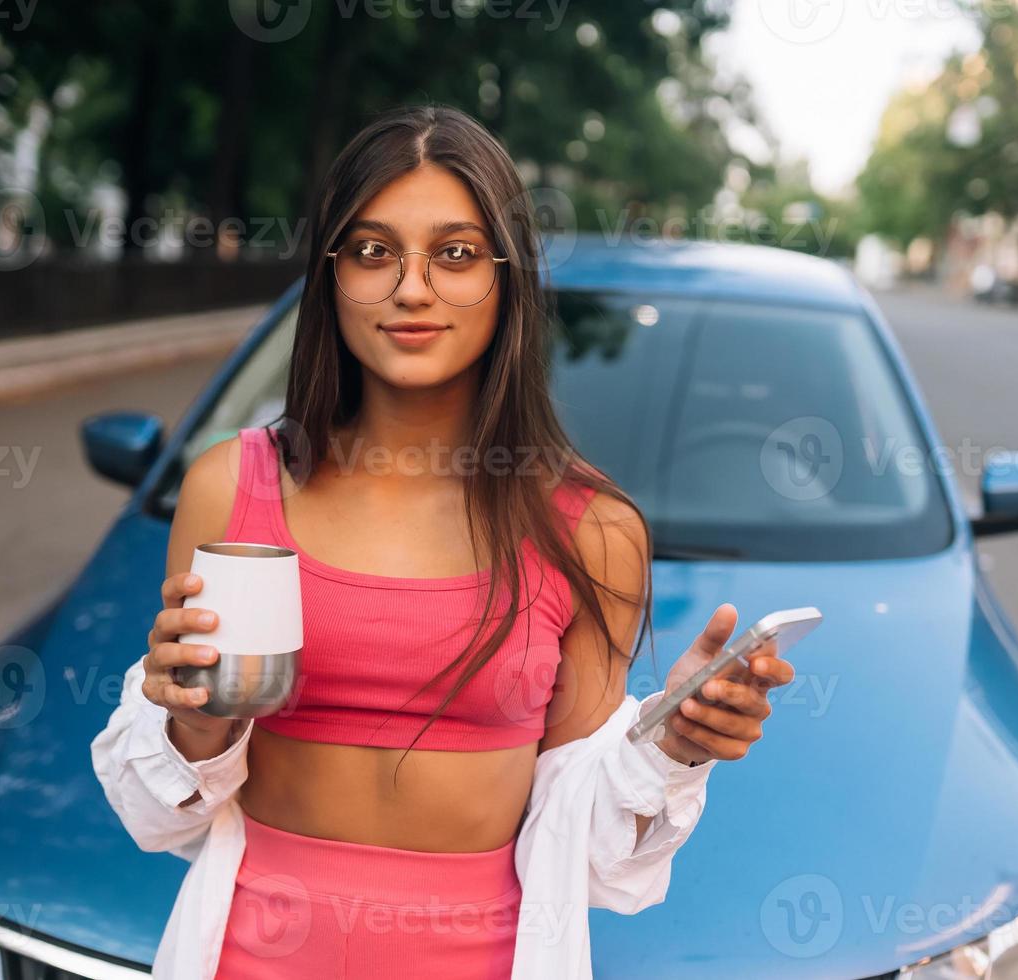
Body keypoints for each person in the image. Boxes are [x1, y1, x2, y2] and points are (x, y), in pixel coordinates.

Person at [91, 103, 795, 980]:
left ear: (507, 279)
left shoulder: (590, 528)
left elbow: (590, 855)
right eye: (373, 251)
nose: (410, 288)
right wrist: (191, 721)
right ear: (331, 273)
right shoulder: (230, 489)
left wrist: (676, 746)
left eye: (455, 254)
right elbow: (163, 817)